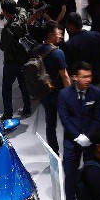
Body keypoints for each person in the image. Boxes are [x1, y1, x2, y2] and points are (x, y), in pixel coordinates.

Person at [59, 61, 100, 200]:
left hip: (90, 141)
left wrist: (88, 136)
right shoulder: (64, 94)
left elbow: (97, 118)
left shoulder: (97, 93)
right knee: (70, 174)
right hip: (71, 141)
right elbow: (65, 119)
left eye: (90, 76)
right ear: (74, 78)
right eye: (84, 77)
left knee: (92, 172)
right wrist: (77, 136)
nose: (88, 80)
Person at [37, 22, 71, 152]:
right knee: (67, 123)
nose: (60, 35)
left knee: (50, 125)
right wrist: (71, 95)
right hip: (59, 94)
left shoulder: (37, 50)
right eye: (58, 33)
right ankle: (69, 152)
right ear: (51, 35)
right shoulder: (58, 53)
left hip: (45, 93)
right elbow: (65, 76)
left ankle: (54, 153)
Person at [0, 0, 32, 121]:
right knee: (24, 86)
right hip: (24, 59)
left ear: (5, 12)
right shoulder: (22, 19)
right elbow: (22, 10)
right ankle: (27, 110)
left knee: (6, 88)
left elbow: (2, 47)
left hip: (11, 62)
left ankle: (8, 114)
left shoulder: (7, 29)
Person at [62, 13, 100, 87]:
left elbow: (69, 68)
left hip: (81, 83)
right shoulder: (97, 35)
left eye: (67, 26)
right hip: (99, 79)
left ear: (71, 26)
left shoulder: (70, 44)